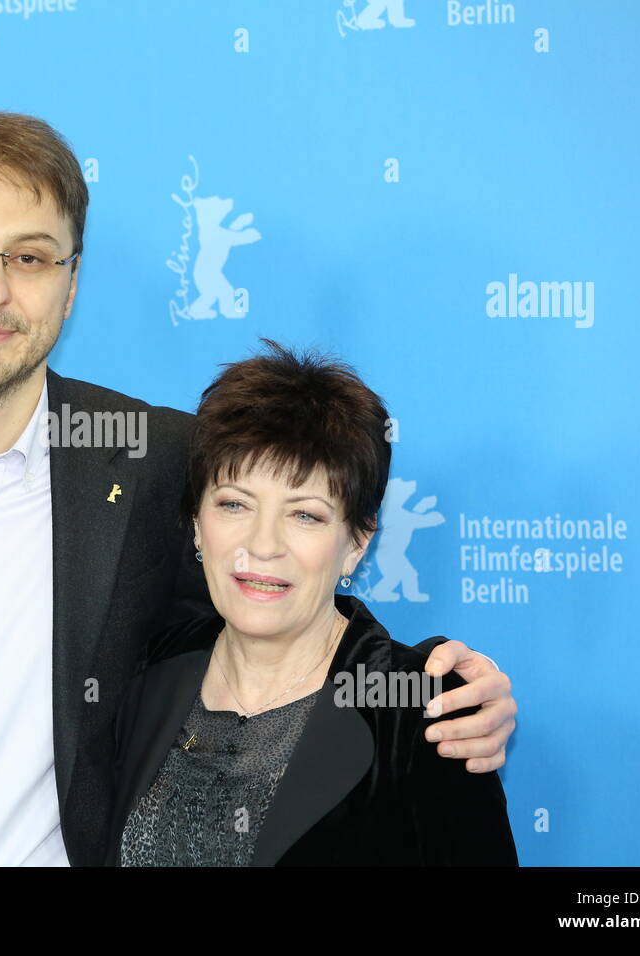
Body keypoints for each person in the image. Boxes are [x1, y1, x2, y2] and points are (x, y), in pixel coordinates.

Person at [0, 112, 518, 867]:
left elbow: (278, 598)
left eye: (30, 257)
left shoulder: (155, 459)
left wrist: (429, 688)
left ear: (71, 283)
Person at [108, 341, 518, 865]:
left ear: (357, 541)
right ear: (196, 523)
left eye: (305, 515)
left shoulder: (424, 713)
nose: (262, 544)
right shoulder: (145, 671)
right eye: (234, 504)